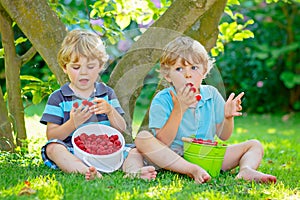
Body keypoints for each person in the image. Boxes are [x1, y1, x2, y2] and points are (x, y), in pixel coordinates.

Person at [134, 36, 277, 184]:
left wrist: (228, 117)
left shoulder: (212, 95)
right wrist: (180, 108)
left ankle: (246, 170)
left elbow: (224, 136)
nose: (187, 74)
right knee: (143, 138)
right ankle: (191, 169)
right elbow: (163, 141)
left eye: (194, 68)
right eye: (179, 69)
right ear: (167, 75)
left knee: (254, 145)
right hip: (173, 158)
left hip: (207, 156)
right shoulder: (162, 99)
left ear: (204, 71)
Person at [40, 29, 156, 180]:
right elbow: (52, 135)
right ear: (64, 67)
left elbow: (121, 129)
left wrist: (110, 112)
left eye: (90, 66)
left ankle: (133, 172)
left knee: (135, 151)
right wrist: (73, 123)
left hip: (109, 151)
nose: (83, 73)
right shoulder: (58, 98)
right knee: (53, 148)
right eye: (76, 67)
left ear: (101, 66)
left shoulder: (107, 94)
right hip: (74, 151)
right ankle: (85, 171)